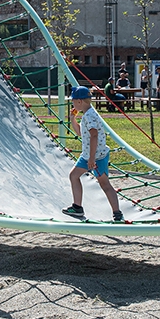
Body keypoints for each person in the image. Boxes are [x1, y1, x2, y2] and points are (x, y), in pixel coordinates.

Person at [62, 86, 124, 222]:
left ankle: (80, 208)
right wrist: (73, 119)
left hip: (94, 156)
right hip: (93, 154)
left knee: (94, 181)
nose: (72, 104)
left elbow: (94, 135)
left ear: (79, 101)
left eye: (73, 101)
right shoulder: (89, 113)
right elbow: (81, 133)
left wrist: (91, 158)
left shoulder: (89, 116)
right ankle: (115, 213)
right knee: (80, 177)